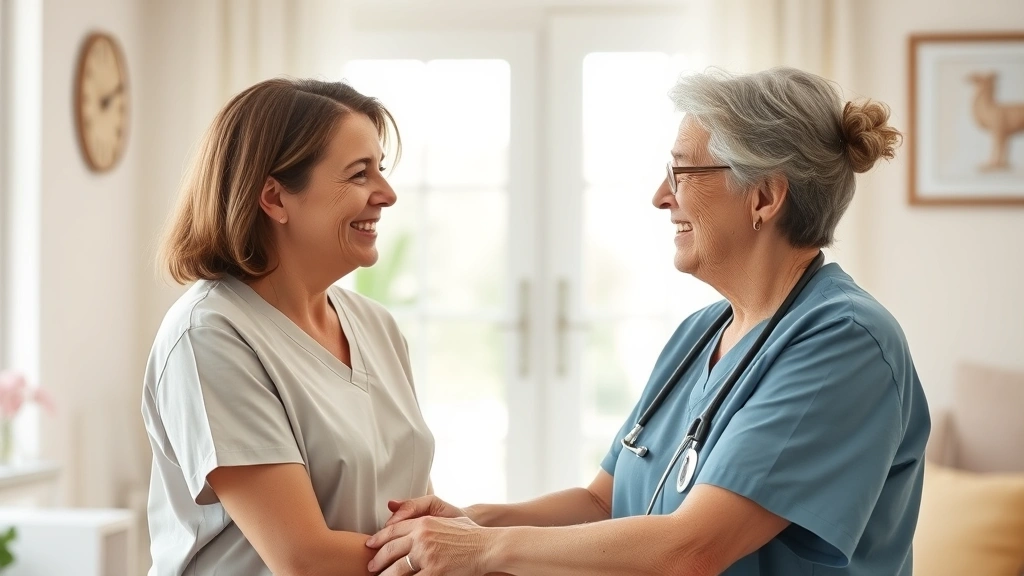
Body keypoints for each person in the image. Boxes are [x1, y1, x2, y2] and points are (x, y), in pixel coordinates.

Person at [365, 67, 930, 576]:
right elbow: (602, 504)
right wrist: (473, 520)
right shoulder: (701, 333)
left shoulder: (844, 342)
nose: (662, 197)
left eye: (682, 173)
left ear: (763, 195)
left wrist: (485, 550)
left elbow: (693, 550)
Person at [141, 78, 434, 576]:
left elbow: (414, 519)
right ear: (275, 198)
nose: (386, 194)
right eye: (359, 174)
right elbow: (303, 558)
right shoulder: (210, 336)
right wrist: (464, 556)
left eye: (379, 171)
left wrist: (460, 546)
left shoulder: (377, 327)